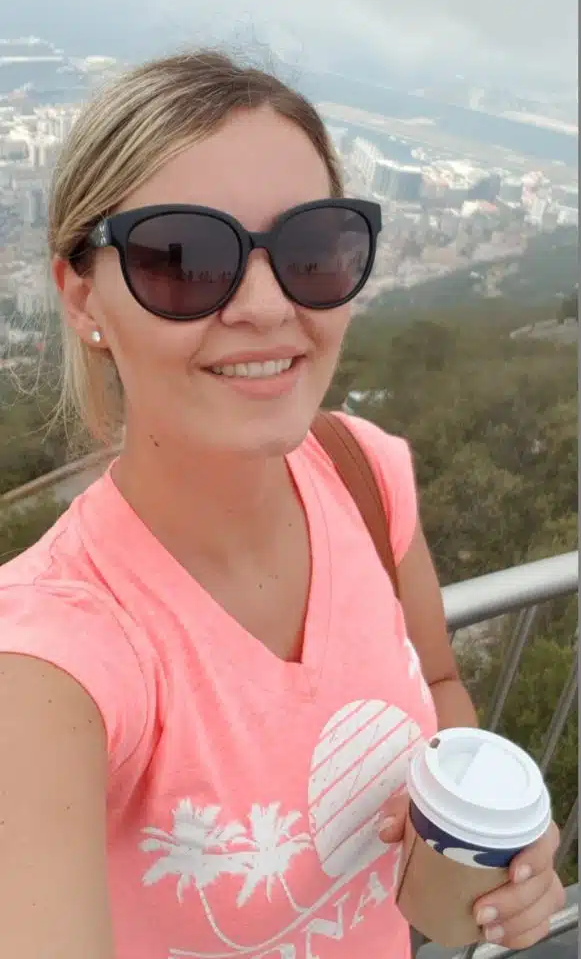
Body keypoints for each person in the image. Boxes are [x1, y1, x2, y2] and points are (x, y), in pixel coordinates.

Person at [0, 51, 564, 959]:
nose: (266, 306)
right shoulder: (47, 661)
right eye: (182, 259)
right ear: (81, 295)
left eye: (311, 249)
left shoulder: (362, 472)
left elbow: (444, 685)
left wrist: (484, 828)